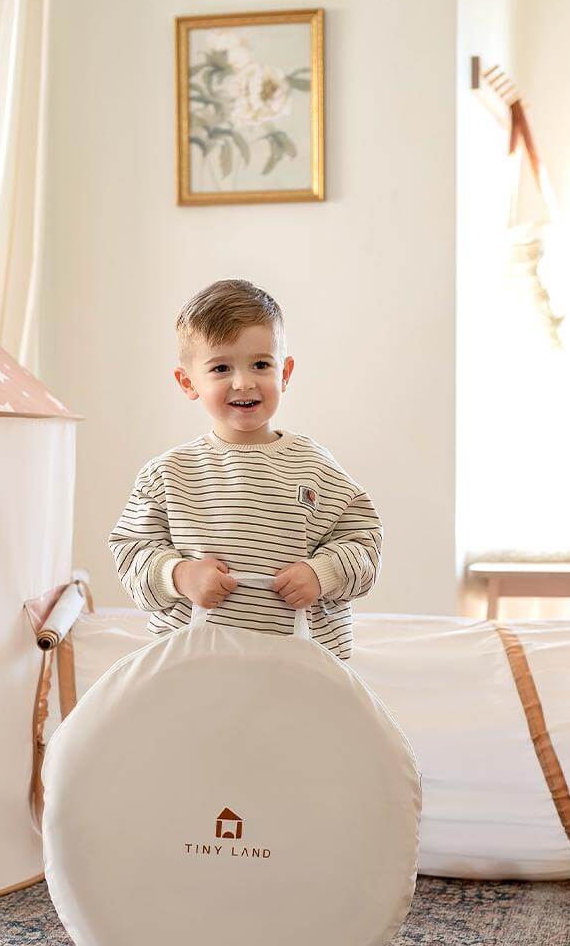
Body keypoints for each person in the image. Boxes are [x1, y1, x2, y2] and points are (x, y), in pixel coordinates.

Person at [107, 278, 383, 660]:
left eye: (260, 364)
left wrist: (323, 575)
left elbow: (365, 544)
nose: (243, 381)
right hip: (191, 671)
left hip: (303, 676)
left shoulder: (317, 468)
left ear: (284, 373)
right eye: (220, 367)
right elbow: (131, 551)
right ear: (188, 382)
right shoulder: (167, 475)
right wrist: (180, 576)